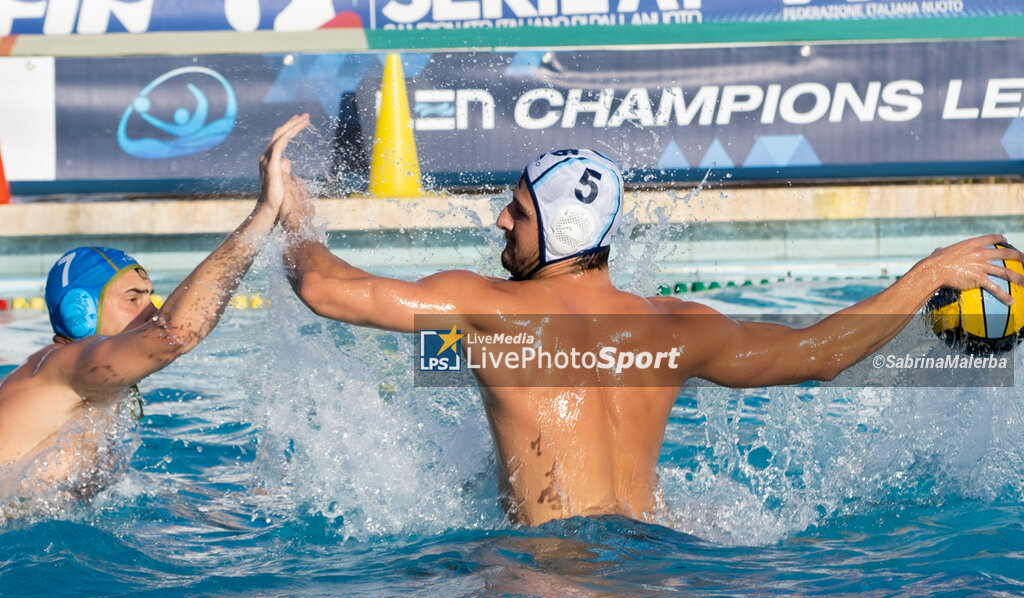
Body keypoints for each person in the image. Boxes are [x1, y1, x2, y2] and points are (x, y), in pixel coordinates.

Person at [279, 143, 1024, 527]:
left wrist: (294, 215)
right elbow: (823, 354)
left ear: (563, 228)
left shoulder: (483, 308)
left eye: (518, 211)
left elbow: (321, 287)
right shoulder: (674, 327)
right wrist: (928, 274)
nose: (498, 221)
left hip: (544, 581)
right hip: (657, 564)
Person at [0, 114, 311, 514]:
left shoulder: (90, 391)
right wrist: (264, 214)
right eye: (133, 297)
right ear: (81, 311)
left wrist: (231, 508)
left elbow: (121, 491)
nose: (151, 310)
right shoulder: (69, 364)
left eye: (150, 296)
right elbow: (176, 334)